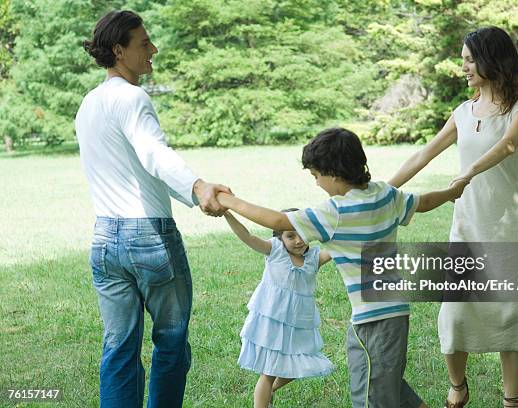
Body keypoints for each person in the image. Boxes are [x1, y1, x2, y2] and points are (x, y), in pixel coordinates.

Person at [214, 127, 469, 408]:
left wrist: (228, 201)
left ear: (333, 174)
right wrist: (450, 192)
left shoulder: (334, 212)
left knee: (372, 394)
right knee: (387, 381)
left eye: (316, 176)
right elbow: (424, 202)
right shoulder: (385, 194)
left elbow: (277, 222)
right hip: (392, 313)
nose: (316, 183)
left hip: (373, 319)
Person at [75, 10, 229, 408]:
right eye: (144, 43)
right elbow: (154, 154)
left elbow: (140, 167)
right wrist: (197, 187)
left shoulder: (88, 105)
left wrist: (191, 194)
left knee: (119, 348)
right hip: (149, 238)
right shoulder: (133, 97)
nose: (153, 49)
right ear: (118, 51)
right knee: (172, 344)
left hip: (105, 241)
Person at [389, 26, 518, 408]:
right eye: (463, 61)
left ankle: (511, 400)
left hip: (508, 227)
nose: (464, 68)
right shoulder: (462, 112)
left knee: (512, 312)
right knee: (455, 313)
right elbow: (423, 154)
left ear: (491, 60)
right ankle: (458, 385)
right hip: (467, 226)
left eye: (470, 60)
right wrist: (382, 191)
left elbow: (508, 144)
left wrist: (469, 171)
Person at [224, 210, 334, 408]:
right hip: (273, 323)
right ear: (279, 237)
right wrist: (227, 214)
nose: (298, 241)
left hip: (298, 326)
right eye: (290, 236)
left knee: (300, 364)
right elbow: (247, 236)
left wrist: (358, 223)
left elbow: (340, 247)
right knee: (269, 372)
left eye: (302, 234)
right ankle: (264, 397)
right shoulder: (274, 251)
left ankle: (270, 392)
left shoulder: (314, 258)